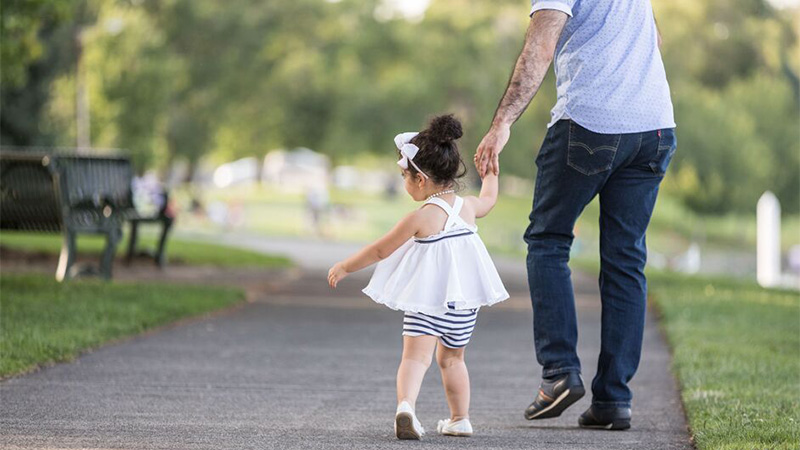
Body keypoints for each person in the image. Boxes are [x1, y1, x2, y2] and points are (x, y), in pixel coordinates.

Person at [473, 0, 677, 430]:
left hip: (590, 125)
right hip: (655, 129)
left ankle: (559, 372)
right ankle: (613, 400)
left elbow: (540, 47)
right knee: (626, 260)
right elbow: (654, 40)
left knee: (547, 241)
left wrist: (501, 123)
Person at [328, 115, 509, 439]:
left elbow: (380, 250)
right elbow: (489, 200)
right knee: (453, 359)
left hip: (427, 302)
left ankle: (406, 407)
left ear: (421, 180)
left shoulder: (422, 217)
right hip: (463, 305)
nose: (404, 182)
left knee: (415, 358)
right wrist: (491, 173)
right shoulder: (467, 207)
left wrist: (345, 266)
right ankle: (460, 418)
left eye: (404, 176)